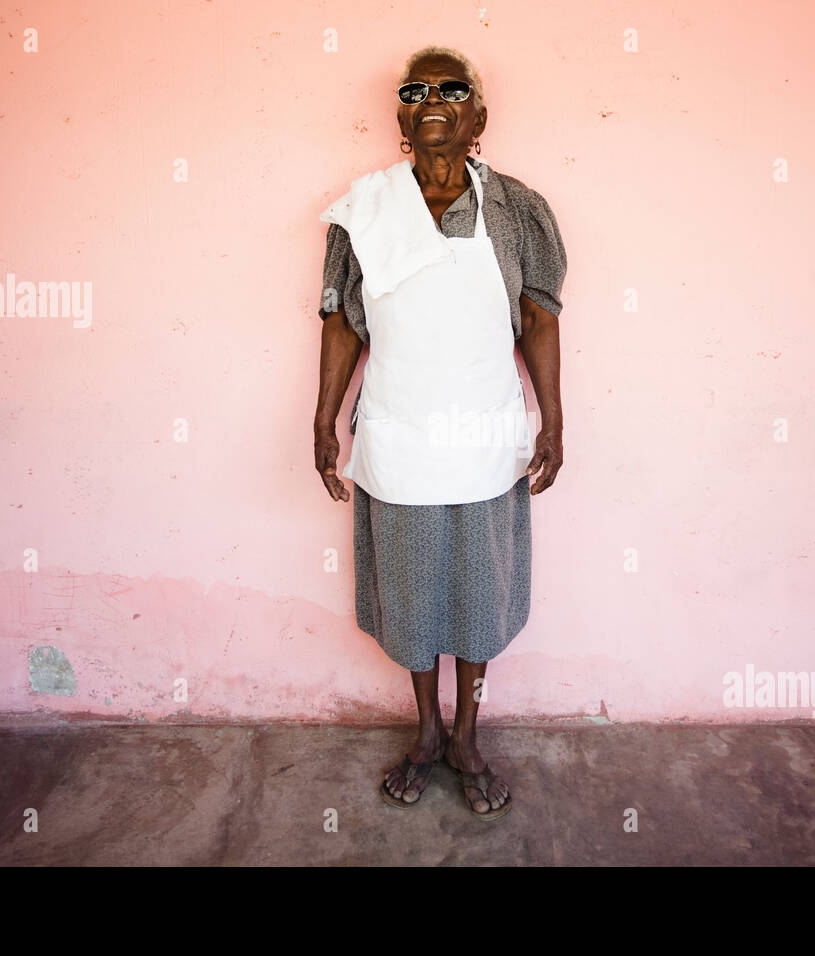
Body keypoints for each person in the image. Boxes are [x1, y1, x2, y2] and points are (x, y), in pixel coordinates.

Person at [312, 45, 567, 821]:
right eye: (416, 89)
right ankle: (426, 730)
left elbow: (538, 318)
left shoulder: (519, 209)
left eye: (453, 90)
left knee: (479, 600)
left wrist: (553, 418)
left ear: (478, 118)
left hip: (485, 437)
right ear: (400, 116)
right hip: (399, 435)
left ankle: (466, 736)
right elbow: (340, 322)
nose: (433, 99)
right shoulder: (365, 209)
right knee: (417, 597)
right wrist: (322, 416)